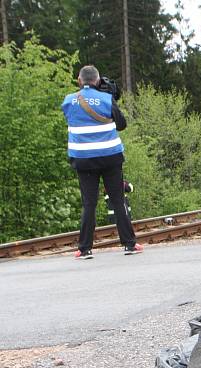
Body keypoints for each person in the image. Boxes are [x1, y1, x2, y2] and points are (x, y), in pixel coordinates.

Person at [61, 65, 142, 259]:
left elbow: (71, 118)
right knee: (117, 199)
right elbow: (122, 124)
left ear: (79, 81)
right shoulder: (107, 99)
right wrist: (110, 101)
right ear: (98, 81)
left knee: (89, 203)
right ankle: (130, 244)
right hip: (110, 157)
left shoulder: (68, 101)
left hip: (83, 159)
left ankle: (84, 248)